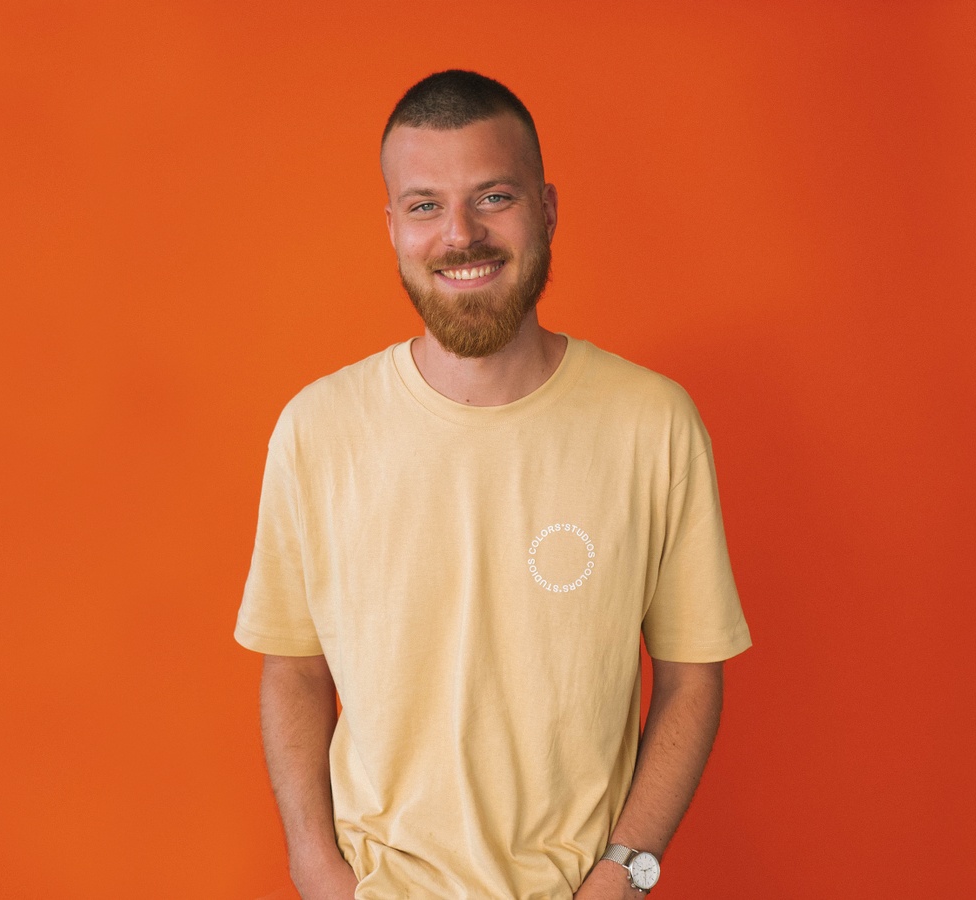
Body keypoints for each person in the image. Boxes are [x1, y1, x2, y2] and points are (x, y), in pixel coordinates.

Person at [235, 70, 751, 900]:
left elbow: (692, 675)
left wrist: (625, 873)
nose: (460, 234)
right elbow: (293, 665)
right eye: (425, 204)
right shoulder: (317, 428)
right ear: (393, 225)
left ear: (547, 209)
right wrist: (314, 867)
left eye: (494, 195)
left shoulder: (652, 424)